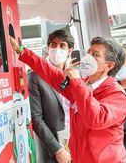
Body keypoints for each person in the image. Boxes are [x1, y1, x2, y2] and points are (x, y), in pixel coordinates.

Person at [9, 36, 126, 163]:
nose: (88, 57)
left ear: (109, 65)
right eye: (89, 52)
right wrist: (21, 50)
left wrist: (77, 82)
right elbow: (51, 73)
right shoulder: (82, 85)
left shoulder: (117, 95)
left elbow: (95, 118)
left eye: (95, 55)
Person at [28, 30, 72, 163]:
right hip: (51, 151)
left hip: (74, 142)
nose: (57, 49)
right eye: (53, 45)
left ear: (70, 50)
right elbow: (36, 119)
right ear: (48, 48)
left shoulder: (74, 75)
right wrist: (57, 150)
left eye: (62, 45)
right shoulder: (35, 76)